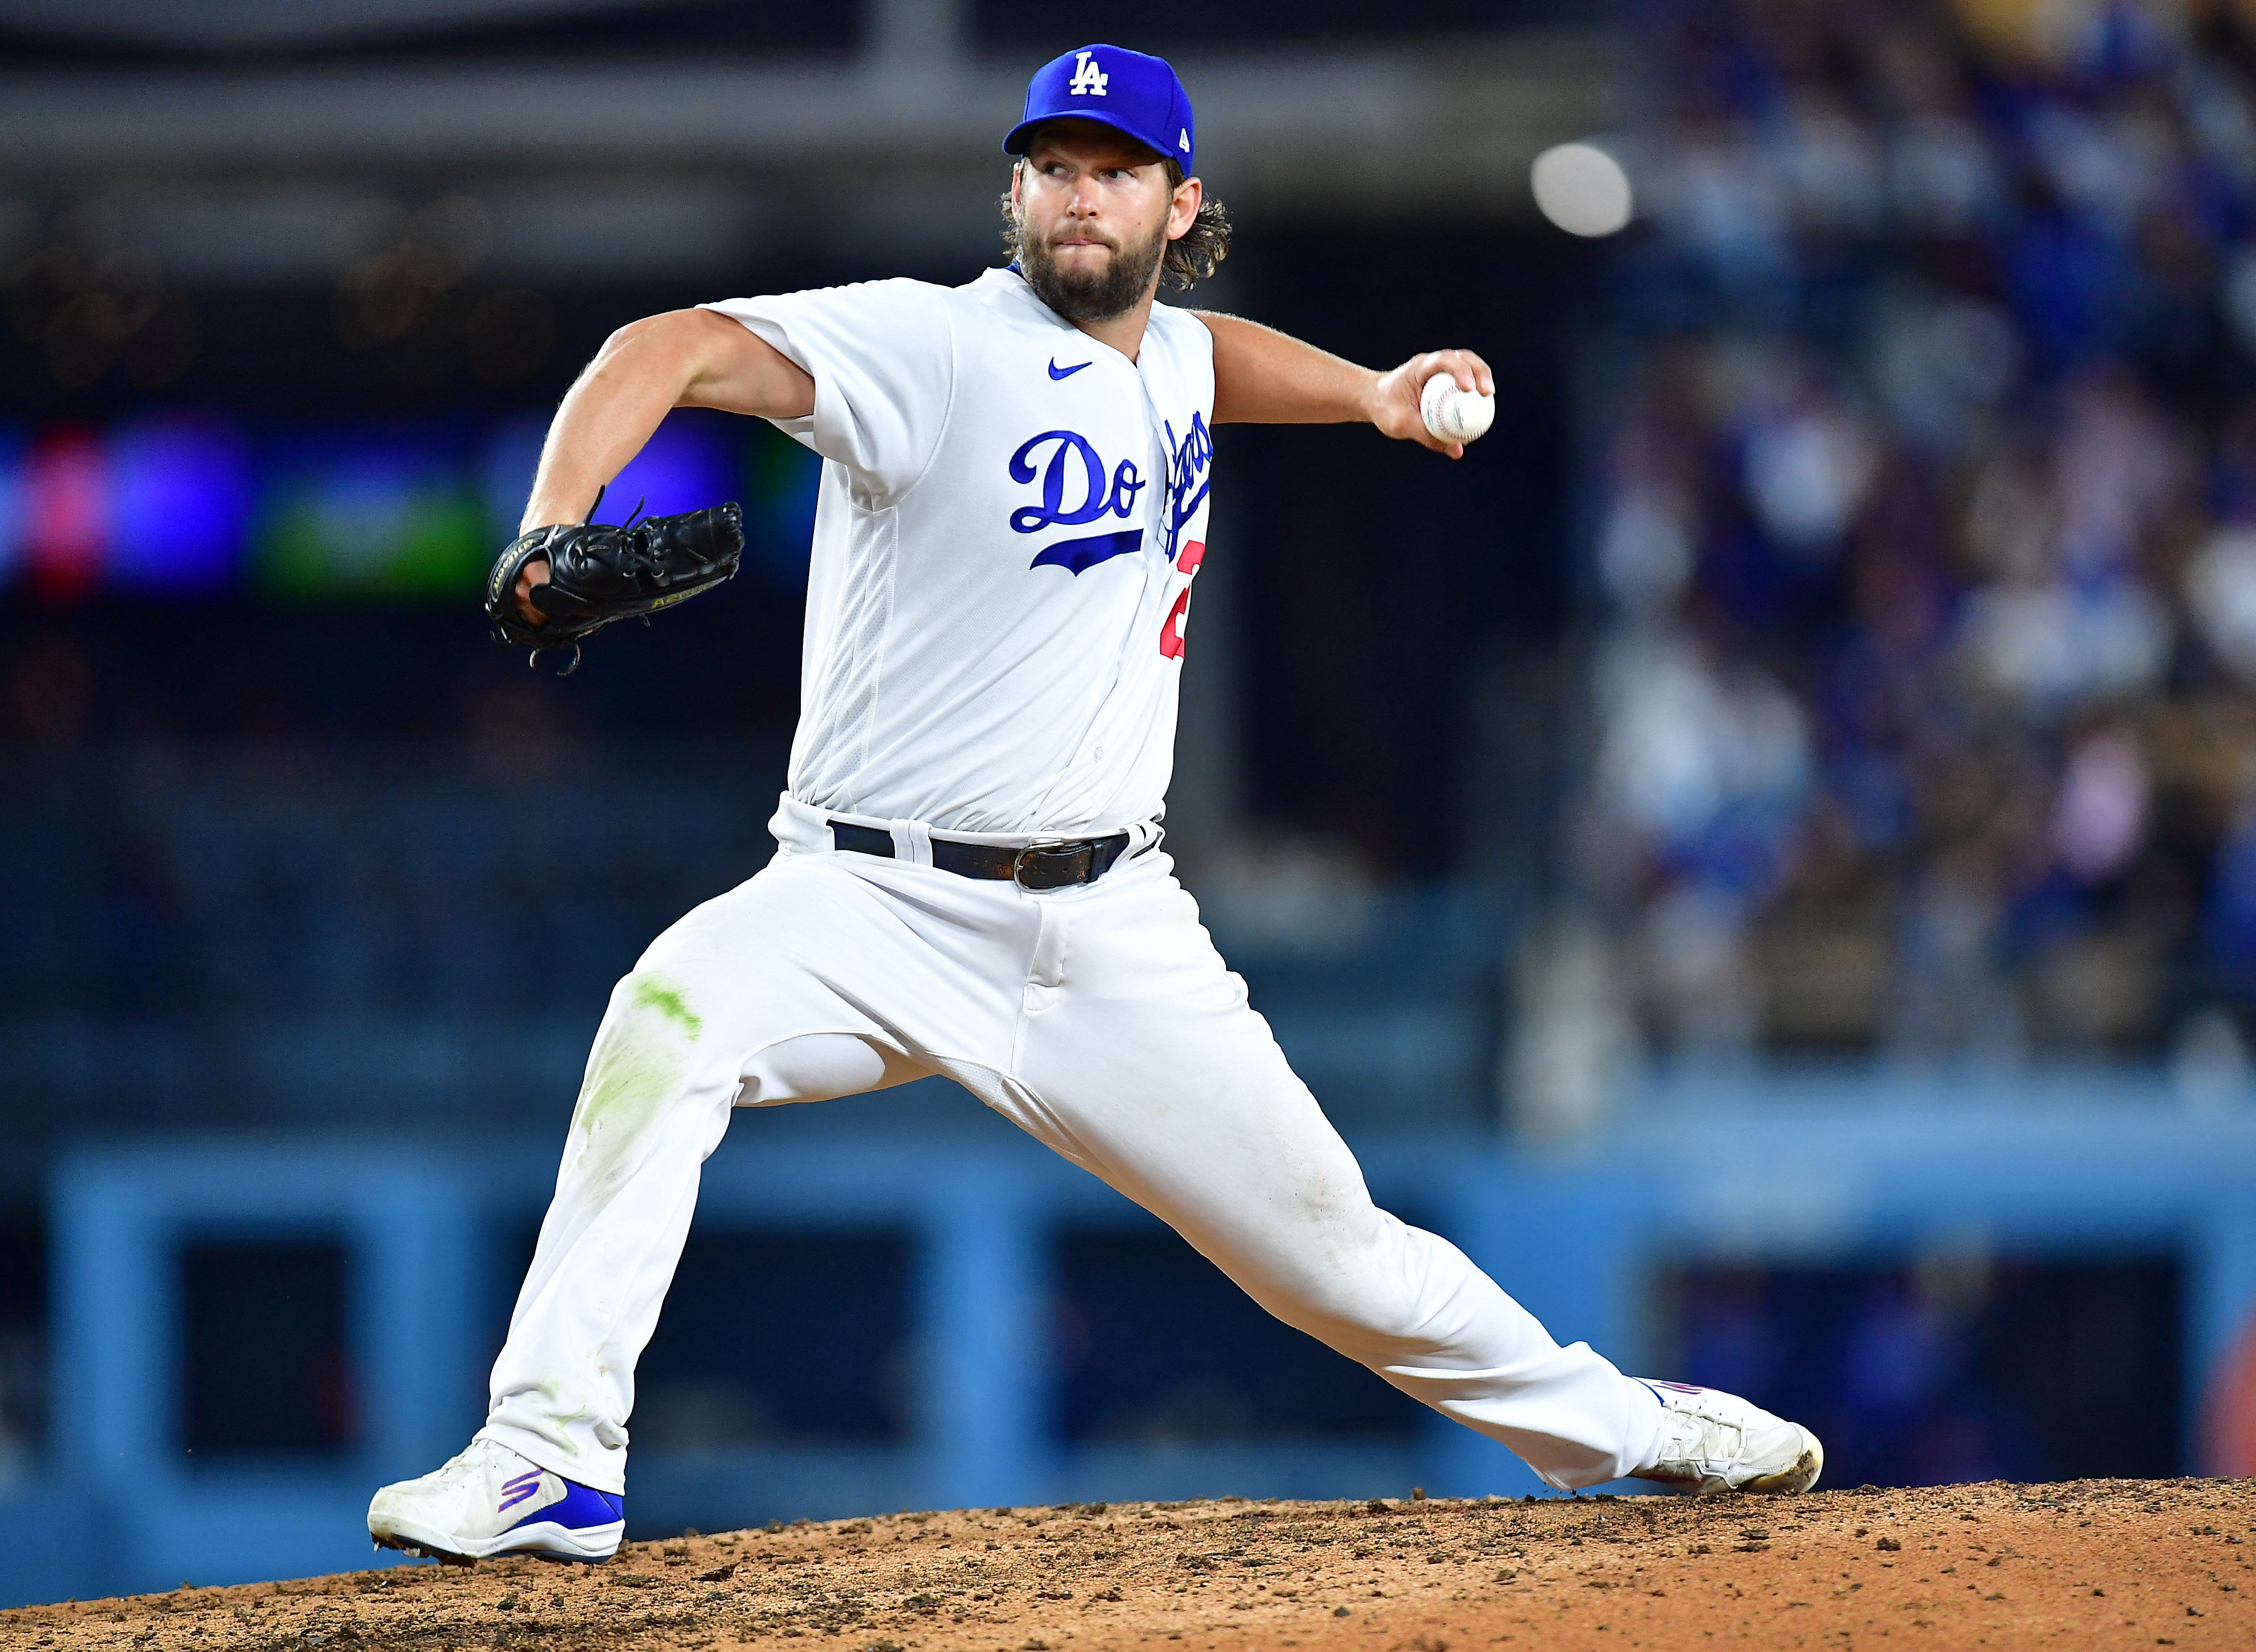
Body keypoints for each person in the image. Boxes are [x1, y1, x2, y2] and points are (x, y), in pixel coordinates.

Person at [367, 43, 1821, 1565]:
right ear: (1014, 190)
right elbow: (660, 347)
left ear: (1179, 204)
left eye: (1114, 169)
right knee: (662, 1020)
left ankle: (1634, 1432)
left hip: (1111, 926)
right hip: (862, 899)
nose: (1078, 194)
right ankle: (547, 1455)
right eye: (1052, 165)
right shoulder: (930, 350)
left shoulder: (1172, 353)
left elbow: (1212, 361)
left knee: (1343, 1267)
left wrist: (1376, 396)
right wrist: (549, 526)